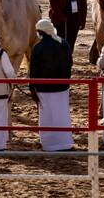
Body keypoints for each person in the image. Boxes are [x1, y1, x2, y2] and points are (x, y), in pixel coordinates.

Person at [29, 19, 74, 151]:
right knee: (62, 114)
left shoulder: (38, 48)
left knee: (47, 117)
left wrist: (32, 88)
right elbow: (69, 63)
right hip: (62, 86)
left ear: (40, 32)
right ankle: (64, 142)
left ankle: (49, 144)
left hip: (44, 88)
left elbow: (34, 70)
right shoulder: (64, 43)